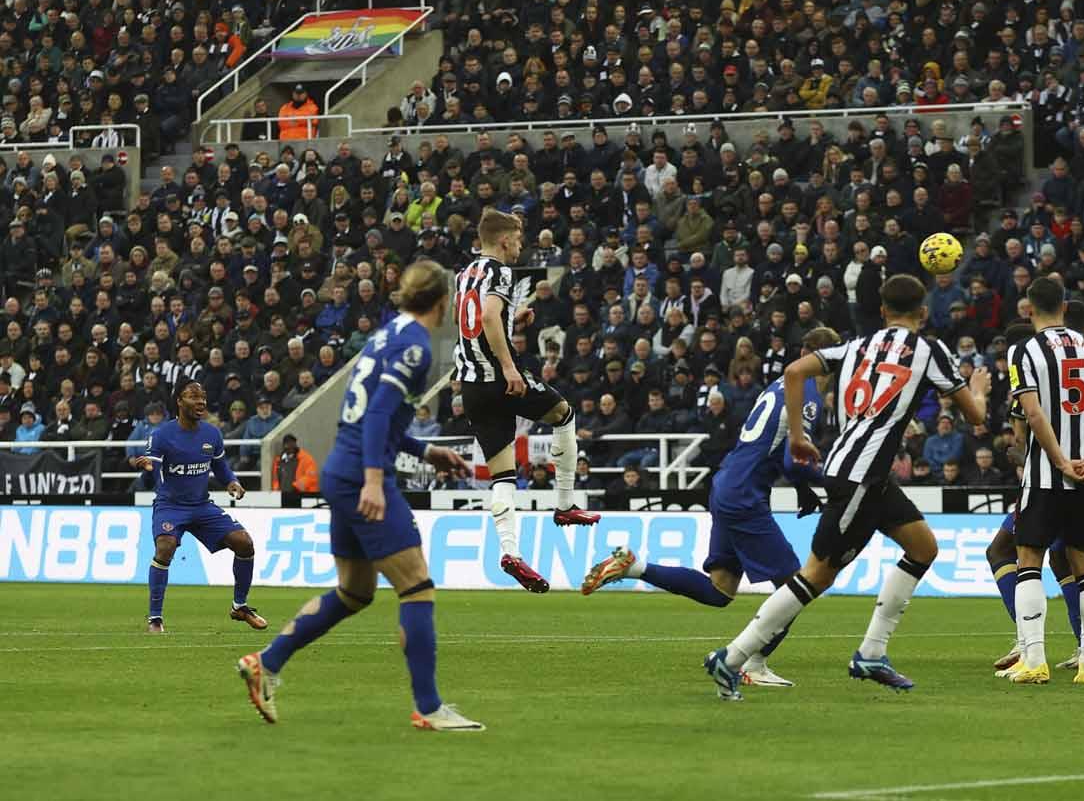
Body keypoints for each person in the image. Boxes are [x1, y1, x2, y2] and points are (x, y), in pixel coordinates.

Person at [703, 274, 992, 701]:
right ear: (924, 313)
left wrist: (799, 434)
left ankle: (872, 652)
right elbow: (976, 417)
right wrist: (981, 391)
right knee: (816, 575)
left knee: (923, 548)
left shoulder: (857, 346)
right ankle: (731, 658)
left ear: (881, 311)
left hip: (865, 474)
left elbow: (794, 370)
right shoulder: (930, 350)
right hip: (860, 478)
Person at [236, 260, 483, 730]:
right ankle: (429, 708)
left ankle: (266, 663)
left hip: (339, 469)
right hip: (359, 476)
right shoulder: (415, 348)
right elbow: (376, 418)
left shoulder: (388, 334)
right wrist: (374, 478)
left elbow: (373, 414)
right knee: (416, 587)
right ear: (443, 302)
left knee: (355, 591)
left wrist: (426, 450)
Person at [581, 327, 841, 689]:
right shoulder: (809, 392)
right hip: (745, 494)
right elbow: (794, 460)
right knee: (796, 586)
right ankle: (752, 662)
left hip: (727, 483)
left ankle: (635, 566)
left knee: (720, 591)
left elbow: (779, 450)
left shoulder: (780, 386)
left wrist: (801, 488)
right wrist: (827, 477)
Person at [454, 208, 598, 593]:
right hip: (500, 380)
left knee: (502, 475)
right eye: (517, 239)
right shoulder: (500, 272)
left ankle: (510, 553)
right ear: (504, 240)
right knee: (564, 415)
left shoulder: (464, 274)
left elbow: (472, 324)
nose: (520, 246)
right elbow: (486, 317)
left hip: (471, 386)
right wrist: (509, 366)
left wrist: (513, 322)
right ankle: (565, 505)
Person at [1002, 279, 1084, 685]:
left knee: (1028, 561)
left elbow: (1033, 415)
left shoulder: (1024, 350)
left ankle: (1034, 659)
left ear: (1029, 309)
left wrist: (1060, 462)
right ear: (1066, 306)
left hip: (1044, 476)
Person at [131, 381, 261, 634]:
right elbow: (151, 473)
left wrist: (232, 481)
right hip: (171, 506)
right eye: (193, 396)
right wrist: (147, 469)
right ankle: (155, 619)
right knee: (165, 547)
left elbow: (221, 468)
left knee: (244, 542)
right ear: (179, 401)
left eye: (202, 397)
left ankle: (240, 606)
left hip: (202, 506)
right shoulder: (161, 435)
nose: (201, 401)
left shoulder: (212, 434)